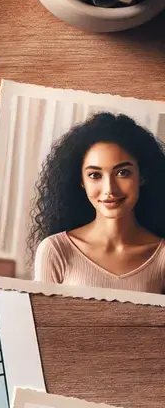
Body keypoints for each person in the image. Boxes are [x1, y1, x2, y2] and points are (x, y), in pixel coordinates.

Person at [31, 112, 165, 293]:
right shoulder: (55, 250)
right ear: (81, 181)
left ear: (142, 175)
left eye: (122, 173)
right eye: (95, 175)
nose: (109, 189)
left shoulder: (161, 256)